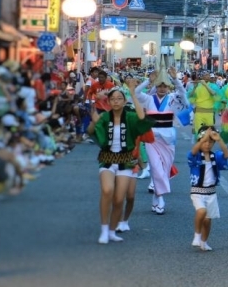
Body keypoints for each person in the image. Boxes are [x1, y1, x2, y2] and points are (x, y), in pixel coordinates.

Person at [87, 81, 153, 244]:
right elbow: (90, 132)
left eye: (119, 98)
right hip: (107, 159)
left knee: (119, 199)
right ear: (108, 102)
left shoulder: (130, 117)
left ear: (124, 101)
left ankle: (112, 231)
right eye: (113, 99)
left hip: (126, 161)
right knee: (107, 190)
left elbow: (142, 119)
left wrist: (132, 93)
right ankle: (103, 230)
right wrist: (94, 122)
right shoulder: (104, 117)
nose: (116, 101)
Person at [134, 65, 189, 214]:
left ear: (168, 87)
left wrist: (176, 79)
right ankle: (162, 200)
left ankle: (157, 198)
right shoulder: (148, 99)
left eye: (165, 86)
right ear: (156, 86)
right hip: (152, 139)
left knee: (164, 170)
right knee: (156, 169)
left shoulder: (172, 99)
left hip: (168, 139)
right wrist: (148, 81)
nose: (162, 88)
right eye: (160, 85)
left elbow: (183, 95)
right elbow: (136, 93)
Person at [188, 126, 228, 252]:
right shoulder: (195, 156)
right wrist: (202, 139)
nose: (207, 144)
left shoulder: (215, 156)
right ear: (199, 141)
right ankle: (197, 236)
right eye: (204, 141)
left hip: (211, 192)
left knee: (207, 221)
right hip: (197, 191)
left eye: (210, 142)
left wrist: (219, 140)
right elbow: (193, 152)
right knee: (201, 212)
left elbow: (227, 155)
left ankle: (204, 241)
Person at [189, 72, 219, 137]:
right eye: (204, 75)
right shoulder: (197, 85)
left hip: (209, 112)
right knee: (199, 132)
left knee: (209, 132)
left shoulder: (213, 86)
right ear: (201, 77)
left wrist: (205, 85)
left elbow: (213, 94)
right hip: (199, 112)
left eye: (208, 75)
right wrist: (194, 87)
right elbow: (190, 97)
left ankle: (207, 146)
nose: (206, 76)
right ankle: (199, 145)